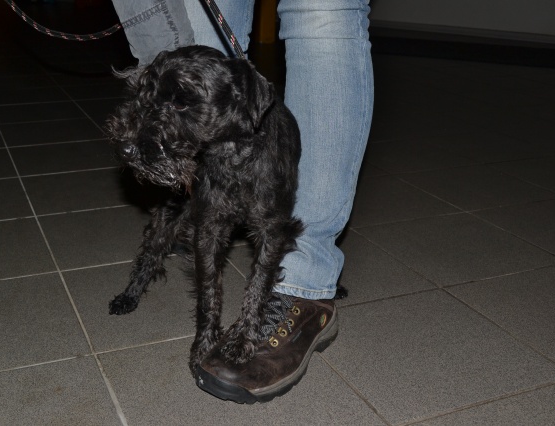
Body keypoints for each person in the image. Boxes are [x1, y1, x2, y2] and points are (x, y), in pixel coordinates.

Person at [111, 0, 374, 403]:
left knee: (321, 13)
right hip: (219, 147)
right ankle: (158, 286)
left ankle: (303, 283)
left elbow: (272, 234)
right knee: (192, 221)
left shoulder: (263, 141)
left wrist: (246, 322)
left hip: (261, 159)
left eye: (178, 103)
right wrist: (206, 333)